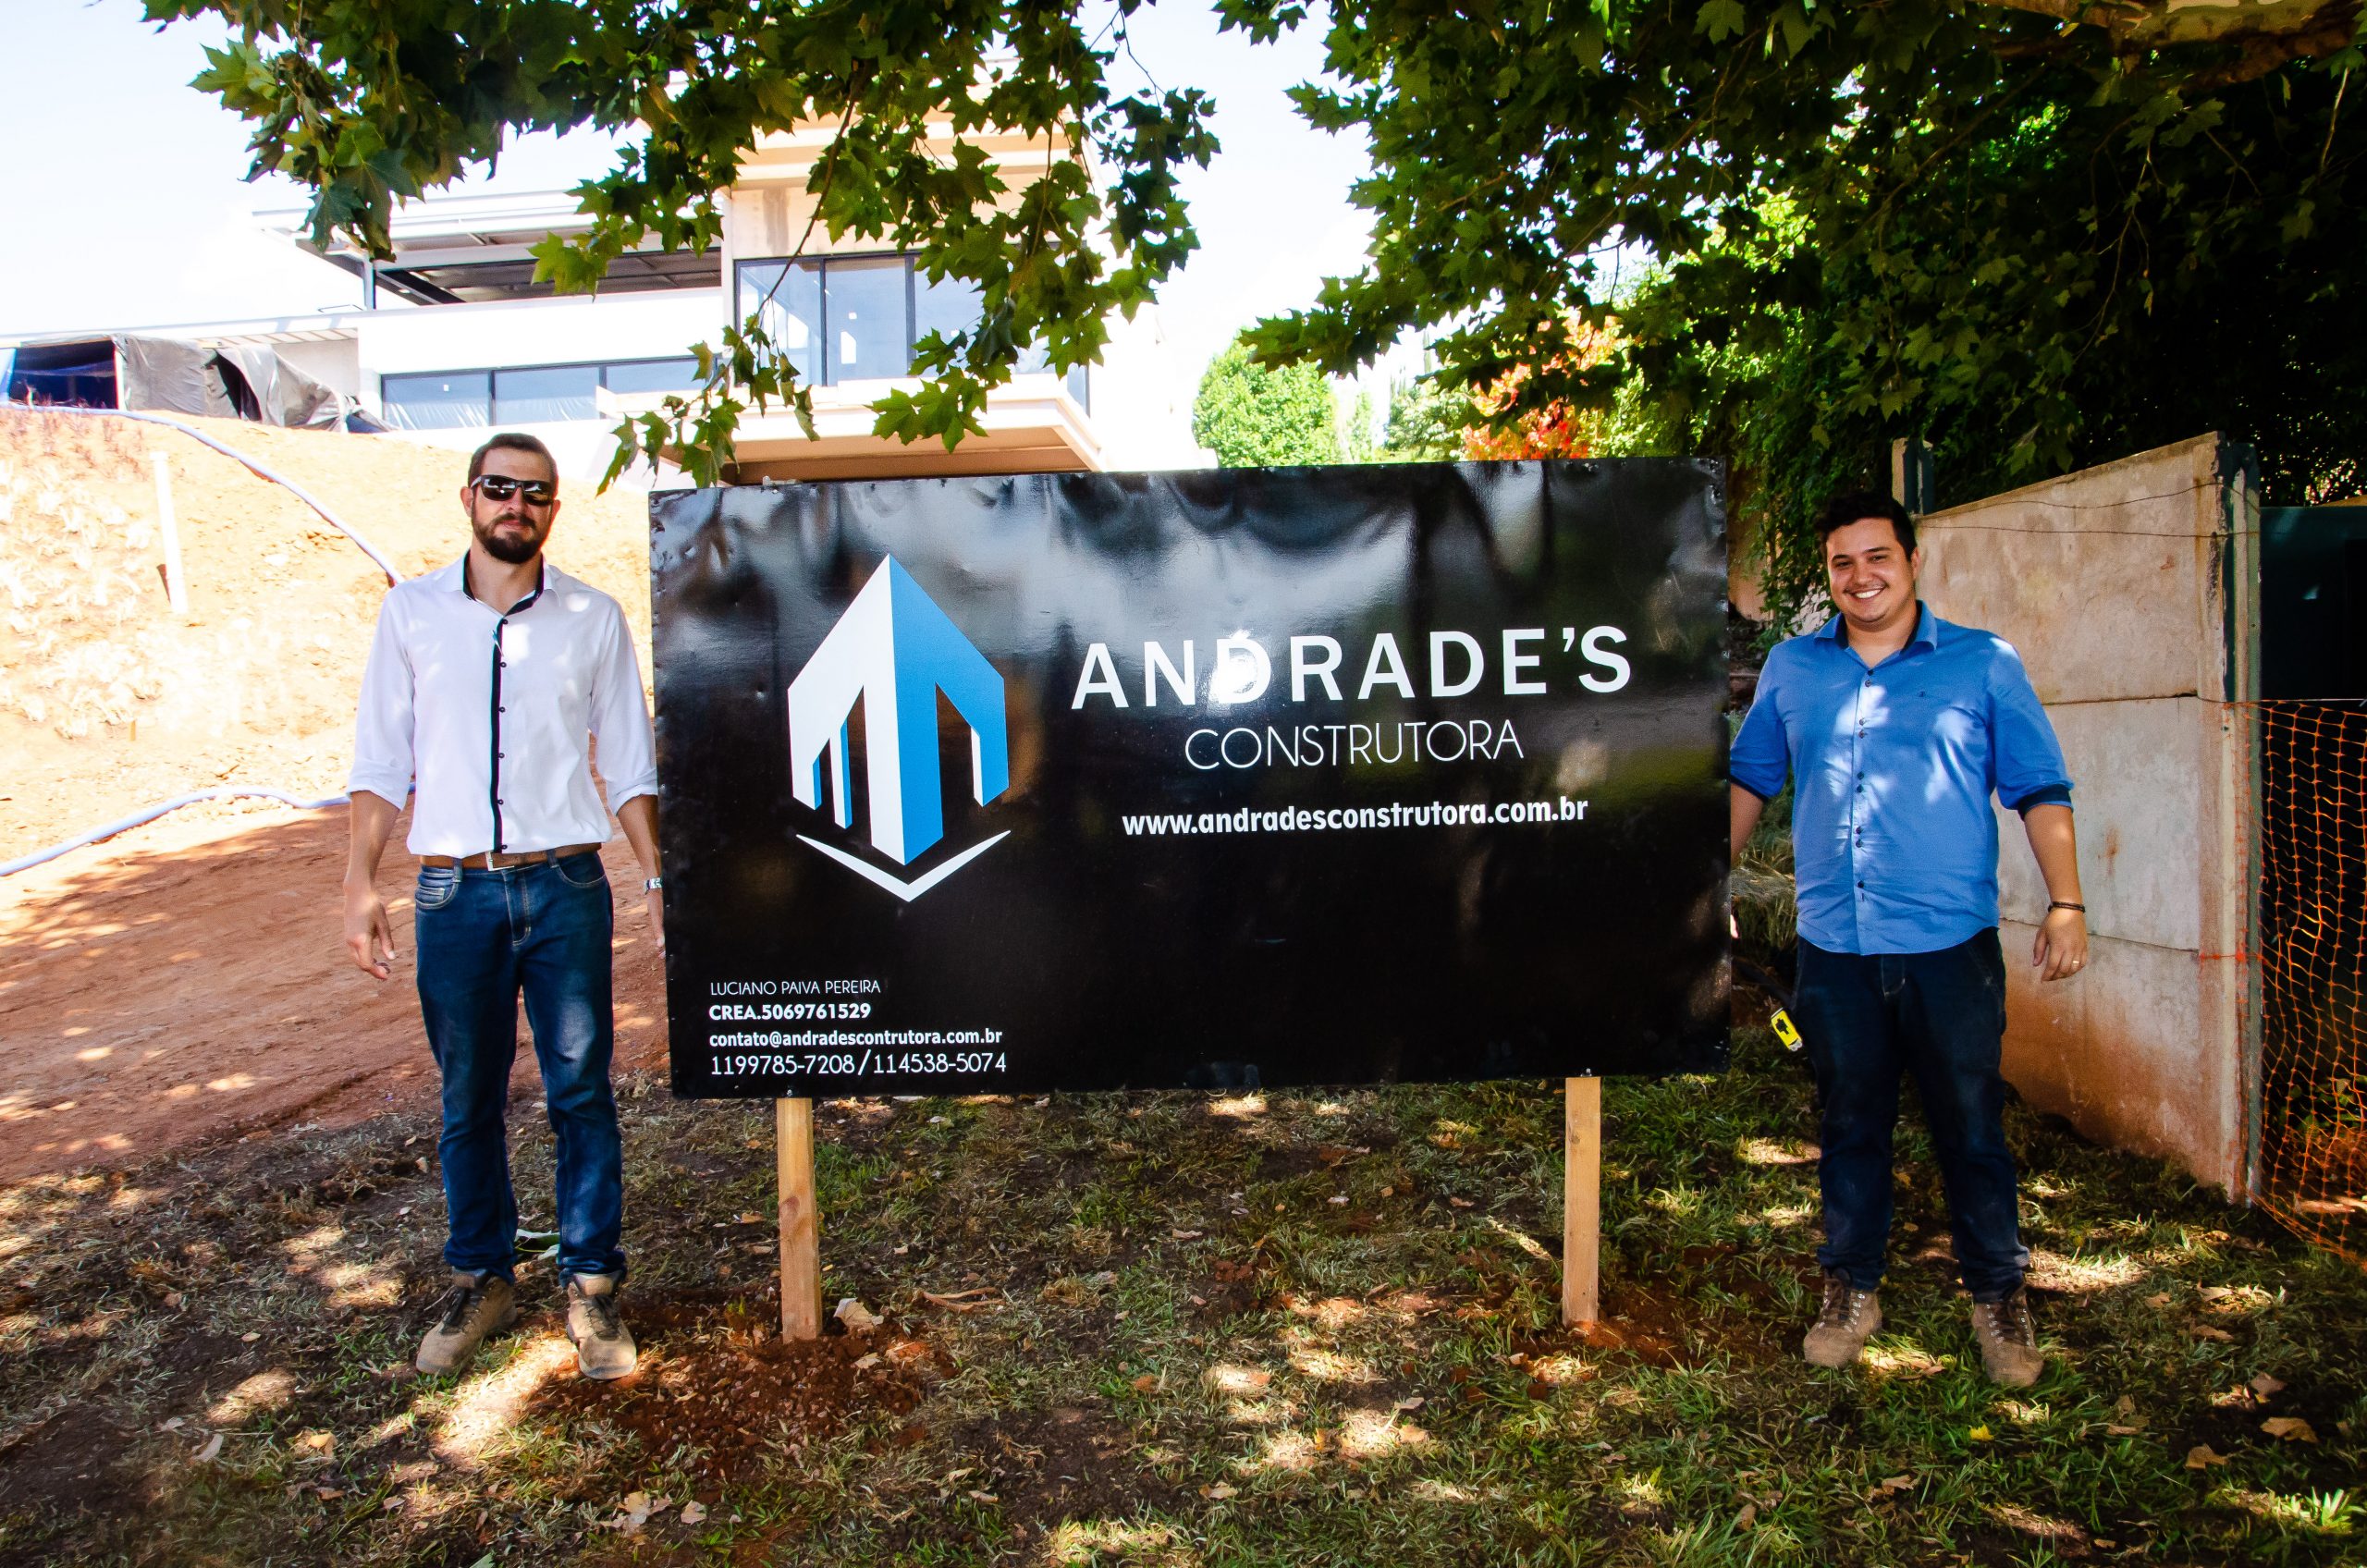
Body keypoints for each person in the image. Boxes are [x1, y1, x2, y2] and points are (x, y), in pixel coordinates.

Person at [1729, 492, 2087, 1388]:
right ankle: (1851, 1287)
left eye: (1877, 556)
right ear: (1829, 573)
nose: (1861, 577)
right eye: (1842, 562)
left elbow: (2040, 788)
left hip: (1947, 949)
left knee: (1970, 1124)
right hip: (1834, 947)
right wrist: (1702, 890)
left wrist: (2066, 902)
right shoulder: (1792, 668)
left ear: (1913, 560)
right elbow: (1749, 780)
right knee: (1850, 1122)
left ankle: (1997, 1294)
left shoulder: (1983, 663)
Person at [341, 432, 661, 1380]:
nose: (515, 504)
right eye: (498, 487)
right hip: (453, 892)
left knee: (581, 1090)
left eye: (535, 492)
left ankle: (592, 1285)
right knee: (467, 1096)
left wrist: (657, 877)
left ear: (553, 508)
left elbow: (630, 763)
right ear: (469, 498)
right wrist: (359, 881)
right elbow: (380, 762)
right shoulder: (411, 614)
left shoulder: (592, 617)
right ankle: (482, 1277)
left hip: (565, 885)